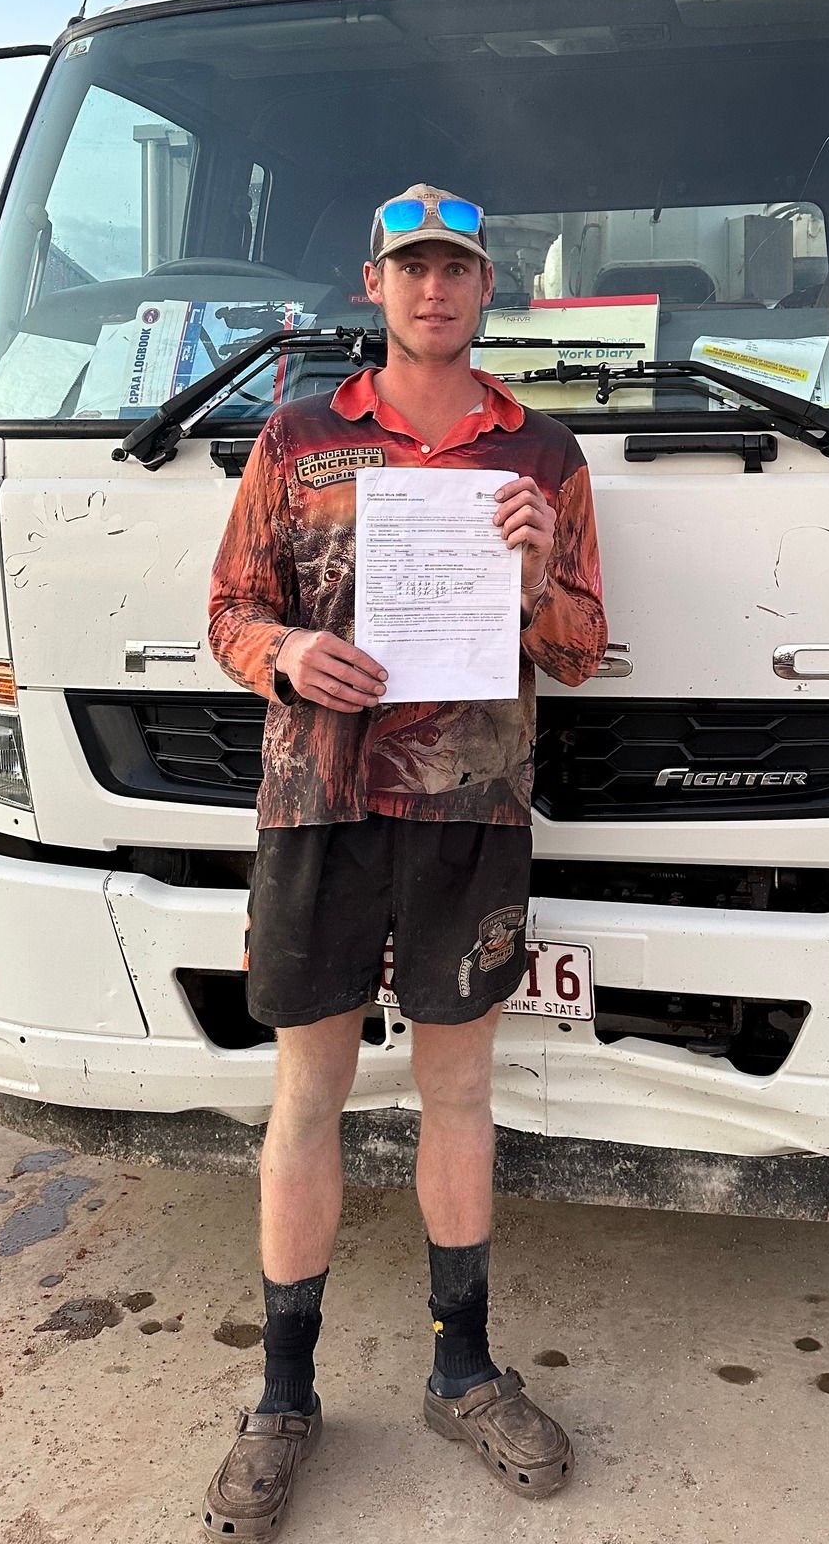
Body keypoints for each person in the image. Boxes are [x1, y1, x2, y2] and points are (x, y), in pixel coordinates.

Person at [201, 184, 606, 1532]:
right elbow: (228, 610)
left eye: (459, 270)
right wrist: (287, 654)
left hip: (468, 809)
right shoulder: (299, 437)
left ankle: (462, 1368)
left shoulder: (542, 458)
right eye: (410, 269)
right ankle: (284, 1398)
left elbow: (580, 652)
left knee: (459, 1092)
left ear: (489, 290)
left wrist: (542, 576)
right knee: (307, 1095)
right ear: (372, 285)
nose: (435, 291)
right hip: (318, 804)